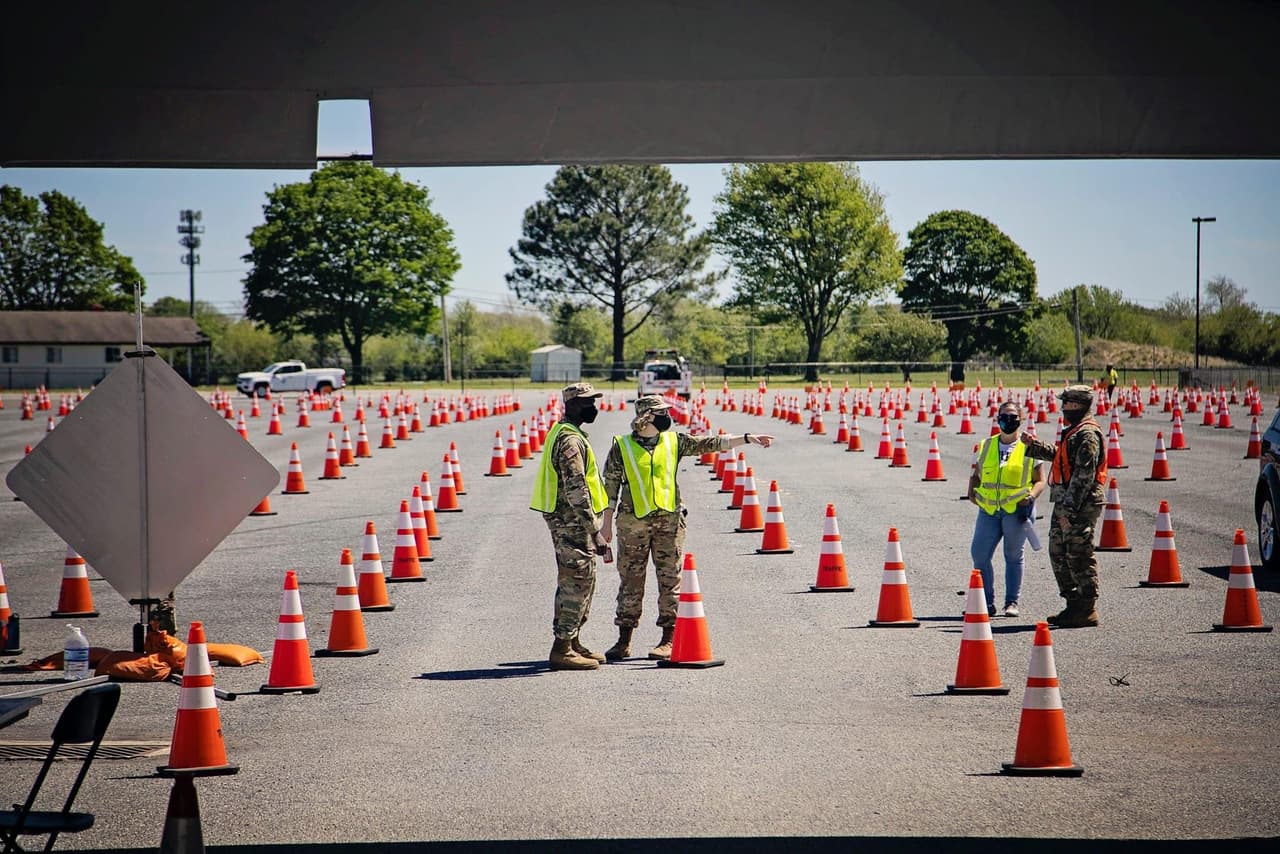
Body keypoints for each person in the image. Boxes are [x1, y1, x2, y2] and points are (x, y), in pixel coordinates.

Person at [600, 394, 773, 661]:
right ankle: (624, 640)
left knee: (670, 579)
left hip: (669, 523)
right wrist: (606, 524)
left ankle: (668, 639)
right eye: (661, 412)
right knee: (630, 581)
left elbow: (709, 443)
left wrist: (748, 437)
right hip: (632, 524)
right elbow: (609, 487)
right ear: (647, 417)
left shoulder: (674, 441)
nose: (667, 417)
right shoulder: (621, 446)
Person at [530, 382, 611, 671]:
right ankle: (562, 647)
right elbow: (577, 490)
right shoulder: (570, 441)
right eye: (588, 402)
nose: (594, 407)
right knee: (575, 582)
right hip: (571, 521)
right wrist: (595, 531)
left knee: (583, 579)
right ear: (572, 405)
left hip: (569, 520)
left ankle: (573, 641)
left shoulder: (569, 433)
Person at [1020, 385, 1108, 628]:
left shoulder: (1088, 434)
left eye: (1067, 403)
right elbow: (1062, 457)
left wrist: (1069, 512)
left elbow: (1083, 476)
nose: (1063, 408)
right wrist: (1034, 446)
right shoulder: (1075, 431)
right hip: (1065, 502)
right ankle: (1073, 604)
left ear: (1078, 405)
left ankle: (1086, 608)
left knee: (1079, 554)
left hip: (1079, 505)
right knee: (1058, 552)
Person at [967, 401, 1046, 617]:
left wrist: (1031, 496)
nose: (1007, 420)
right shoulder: (985, 445)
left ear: (1020, 419)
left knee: (1012, 555)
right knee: (979, 554)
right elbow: (976, 476)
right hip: (989, 511)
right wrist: (972, 493)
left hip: (1016, 511)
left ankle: (1011, 602)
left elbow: (1040, 480)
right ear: (997, 417)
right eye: (1004, 415)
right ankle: (986, 602)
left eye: (1013, 416)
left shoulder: (1030, 447)